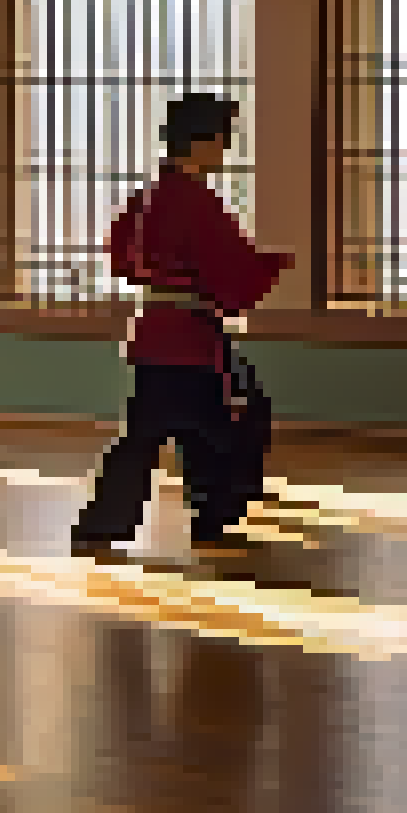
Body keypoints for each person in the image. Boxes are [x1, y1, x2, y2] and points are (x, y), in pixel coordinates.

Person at [72, 93, 292, 560]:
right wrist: (272, 265)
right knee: (207, 428)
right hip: (187, 336)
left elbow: (121, 255)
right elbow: (229, 267)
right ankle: (204, 516)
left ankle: (119, 522)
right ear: (203, 142)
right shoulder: (196, 202)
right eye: (223, 140)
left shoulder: (148, 198)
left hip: (155, 329)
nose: (226, 150)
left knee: (179, 429)